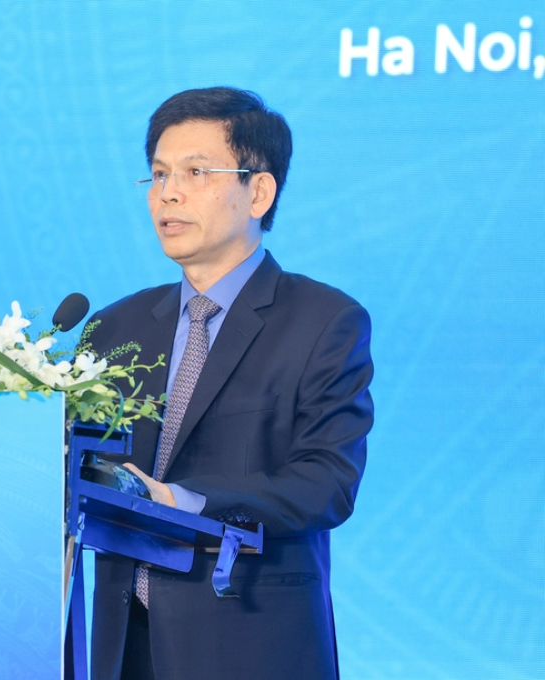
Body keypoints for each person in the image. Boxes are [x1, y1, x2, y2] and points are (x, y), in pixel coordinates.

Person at [83, 87, 374, 679]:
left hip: (250, 644)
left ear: (258, 192)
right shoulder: (113, 328)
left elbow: (326, 483)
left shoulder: (323, 322)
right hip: (124, 648)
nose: (168, 193)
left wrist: (184, 502)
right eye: (158, 174)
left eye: (195, 172)